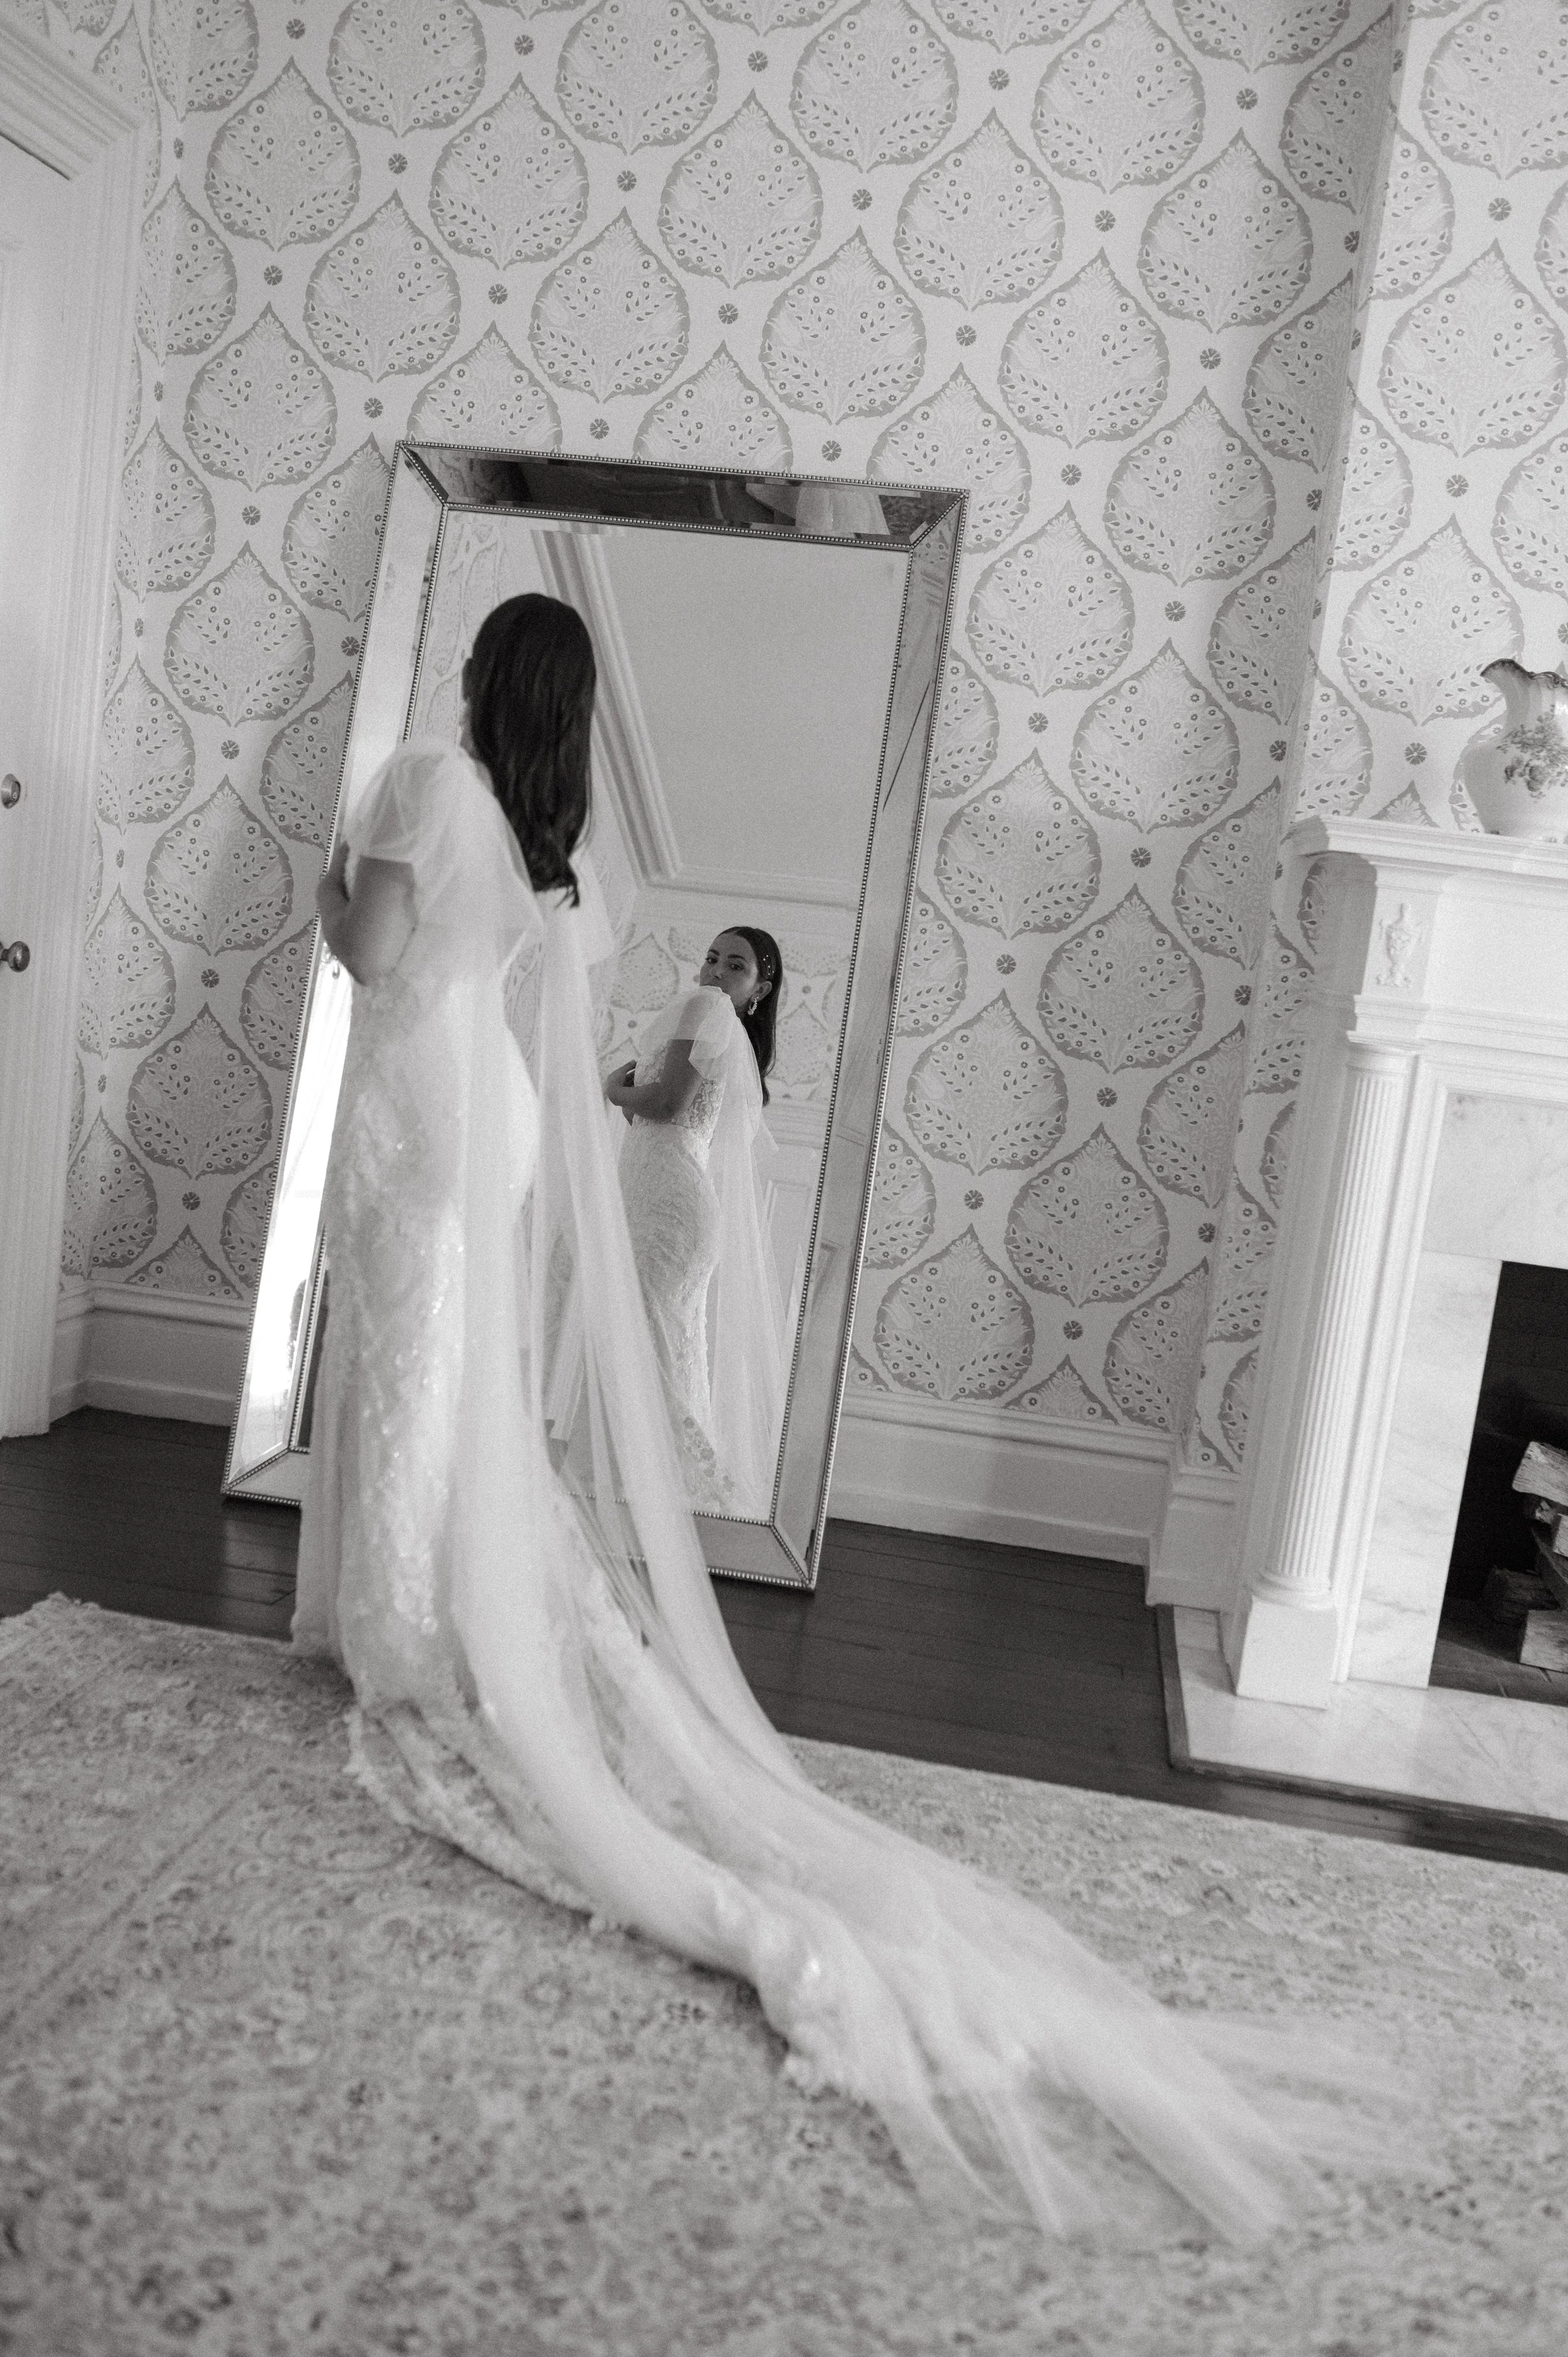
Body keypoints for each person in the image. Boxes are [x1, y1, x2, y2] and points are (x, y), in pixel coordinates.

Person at [294, 591, 1364, 2245]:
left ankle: (406, 1624)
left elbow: (368, 955)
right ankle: (438, 1602)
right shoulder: (539, 842)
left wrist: (324, 878)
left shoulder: (429, 783)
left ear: (482, 676)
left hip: (416, 1108)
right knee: (447, 1362)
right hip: (476, 1110)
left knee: (411, 1351)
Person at [603, 928, 788, 1516]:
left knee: (649, 1349)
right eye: (711, 959)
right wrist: (634, 1100)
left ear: (759, 989)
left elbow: (666, 1106)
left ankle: (669, 1496)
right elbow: (660, 1124)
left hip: (671, 1207)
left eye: (735, 965)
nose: (714, 973)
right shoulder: (726, 1032)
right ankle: (677, 1501)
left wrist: (614, 1090)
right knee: (660, 1349)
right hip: (669, 1200)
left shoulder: (706, 1011)